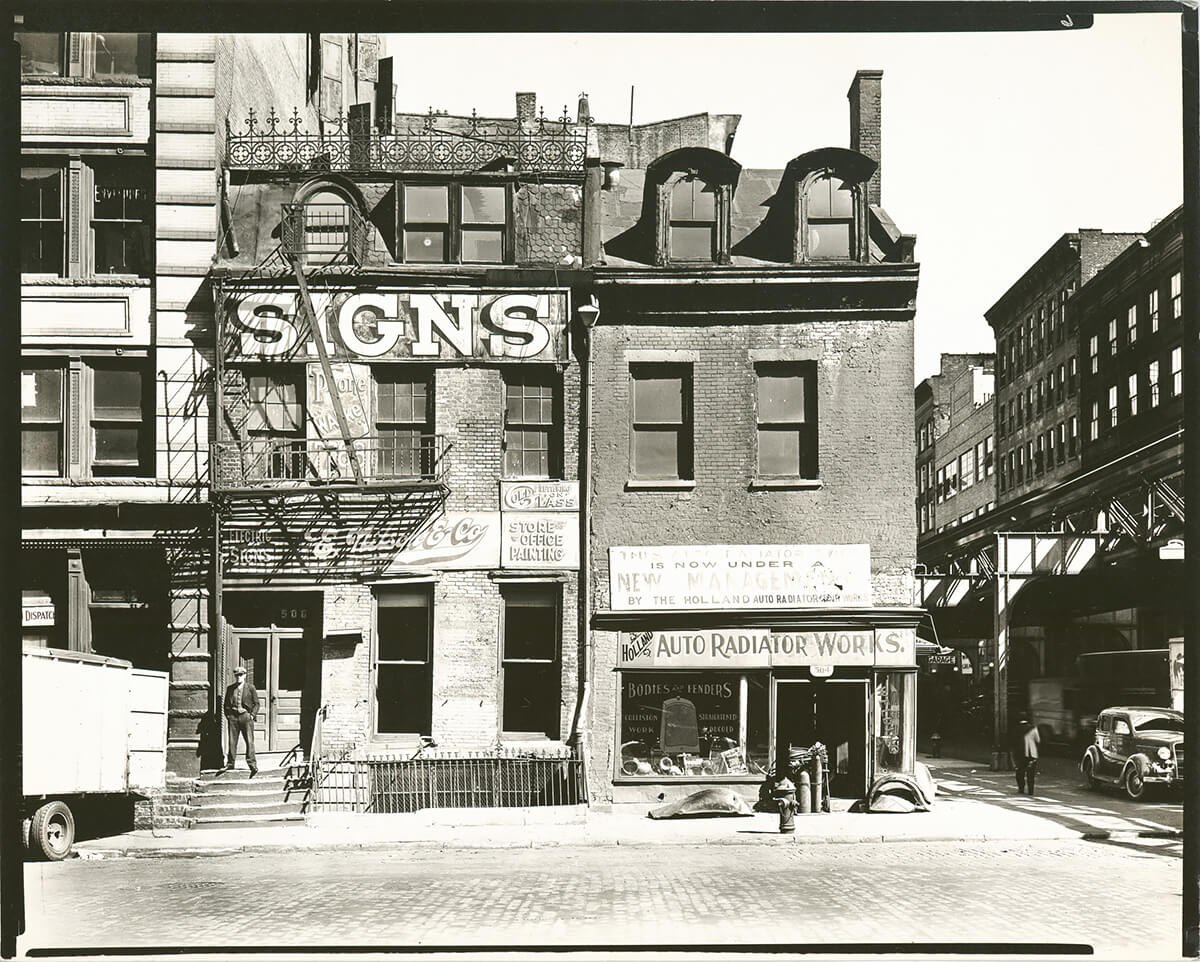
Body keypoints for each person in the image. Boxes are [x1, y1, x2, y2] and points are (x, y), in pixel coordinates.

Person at [223, 665, 259, 776]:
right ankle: (230, 763)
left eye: (241, 675)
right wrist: (229, 716)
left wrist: (252, 715)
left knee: (249, 741)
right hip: (233, 717)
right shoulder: (230, 689)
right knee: (232, 742)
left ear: (245, 676)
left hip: (246, 717)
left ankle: (252, 764)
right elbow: (226, 705)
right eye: (237, 675)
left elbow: (256, 703)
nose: (239, 677)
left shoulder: (250, 688)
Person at [1011, 717, 1040, 795]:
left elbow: (1012, 741)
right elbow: (1038, 740)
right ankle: (1030, 791)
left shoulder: (1015, 729)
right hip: (1032, 754)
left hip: (1019, 753)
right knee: (1030, 773)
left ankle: (1021, 789)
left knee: (1020, 772)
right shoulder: (1033, 729)